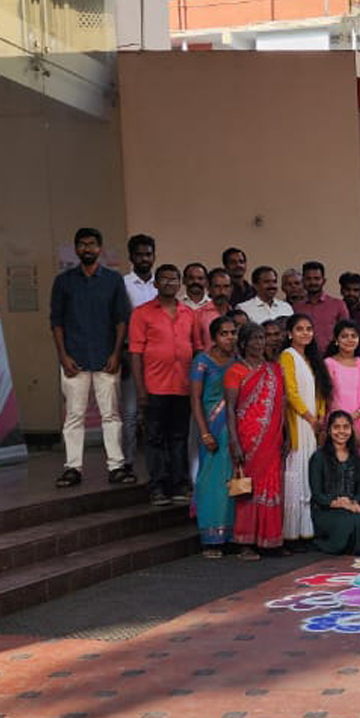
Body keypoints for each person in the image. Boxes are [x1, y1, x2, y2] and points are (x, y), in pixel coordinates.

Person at [50, 228, 130, 488]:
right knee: (74, 416)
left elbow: (121, 320)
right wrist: (63, 356)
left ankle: (116, 466)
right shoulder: (63, 282)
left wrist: (117, 354)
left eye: (92, 244)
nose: (87, 249)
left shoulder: (113, 280)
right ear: (76, 249)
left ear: (100, 248)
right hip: (75, 359)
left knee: (111, 416)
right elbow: (56, 323)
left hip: (107, 358)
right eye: (82, 244)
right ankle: (73, 468)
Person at [130, 264, 198, 505]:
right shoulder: (141, 313)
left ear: (180, 283)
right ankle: (158, 485)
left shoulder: (189, 314)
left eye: (174, 279)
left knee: (179, 436)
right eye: (164, 279)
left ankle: (179, 484)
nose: (170, 283)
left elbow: (197, 349)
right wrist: (140, 392)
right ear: (155, 284)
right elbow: (136, 354)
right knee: (155, 438)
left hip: (183, 386)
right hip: (154, 386)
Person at [225, 324, 285, 559]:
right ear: (244, 343)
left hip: (272, 437)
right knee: (247, 489)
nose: (260, 343)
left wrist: (285, 435)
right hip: (247, 437)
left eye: (262, 338)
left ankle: (268, 540)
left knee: (271, 485)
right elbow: (230, 409)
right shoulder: (236, 371)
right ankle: (245, 544)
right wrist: (234, 442)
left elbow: (281, 405)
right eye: (255, 338)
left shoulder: (274, 370)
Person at [309, 411, 360, 556]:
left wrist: (353, 503)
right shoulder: (319, 457)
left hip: (351, 508)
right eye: (336, 427)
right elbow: (317, 495)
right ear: (329, 430)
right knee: (355, 522)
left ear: (351, 430)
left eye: (346, 427)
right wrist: (340, 503)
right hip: (326, 511)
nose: (341, 431)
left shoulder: (355, 458)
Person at [281, 314, 331, 548]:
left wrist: (320, 417)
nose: (305, 333)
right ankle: (291, 534)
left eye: (309, 329)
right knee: (295, 477)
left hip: (313, 425)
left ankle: (308, 531)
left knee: (309, 477)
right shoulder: (288, 356)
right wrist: (309, 417)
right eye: (299, 329)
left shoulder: (312, 359)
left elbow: (320, 392)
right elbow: (291, 392)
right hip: (298, 423)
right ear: (290, 333)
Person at [190, 316, 238, 556]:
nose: (230, 338)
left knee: (231, 481)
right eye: (224, 333)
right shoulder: (203, 361)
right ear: (214, 337)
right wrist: (205, 432)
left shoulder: (238, 361)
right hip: (212, 429)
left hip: (234, 430)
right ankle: (210, 538)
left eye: (233, 333)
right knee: (210, 482)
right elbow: (196, 399)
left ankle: (229, 534)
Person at [121, 233, 158, 481]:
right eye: (140, 254)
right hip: (131, 355)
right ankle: (127, 463)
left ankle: (157, 462)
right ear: (131, 257)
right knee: (131, 412)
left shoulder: (162, 283)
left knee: (157, 412)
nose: (145, 259)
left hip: (158, 360)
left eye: (149, 254)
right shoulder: (122, 284)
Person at [325, 320, 360, 456]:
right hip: (337, 424)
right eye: (344, 336)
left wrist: (355, 416)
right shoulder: (329, 364)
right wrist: (346, 423)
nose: (349, 340)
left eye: (353, 336)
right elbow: (329, 397)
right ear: (336, 339)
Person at [296, 261, 350, 355]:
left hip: (333, 357)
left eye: (316, 278)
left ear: (324, 281)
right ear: (303, 281)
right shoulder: (297, 308)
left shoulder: (338, 305)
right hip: (304, 358)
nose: (312, 282)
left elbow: (346, 333)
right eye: (309, 279)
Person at [193, 268, 234, 352]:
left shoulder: (236, 314)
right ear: (209, 288)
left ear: (231, 289)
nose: (222, 291)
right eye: (217, 287)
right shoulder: (199, 315)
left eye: (226, 287)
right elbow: (197, 349)